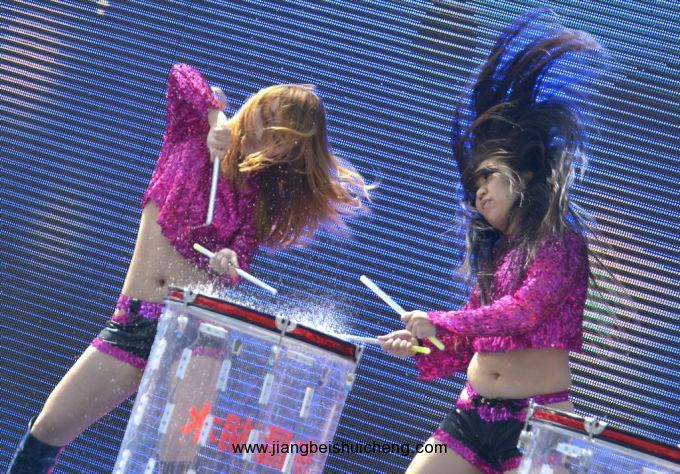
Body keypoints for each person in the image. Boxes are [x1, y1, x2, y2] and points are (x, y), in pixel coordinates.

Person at [8, 62, 370, 473]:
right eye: (268, 121)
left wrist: (227, 261)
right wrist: (215, 117)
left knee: (175, 463)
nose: (266, 139)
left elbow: (237, 261)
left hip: (198, 335)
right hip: (136, 322)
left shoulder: (258, 196)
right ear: (255, 107)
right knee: (47, 432)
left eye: (282, 141)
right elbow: (181, 74)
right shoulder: (191, 135)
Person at [379, 10, 604, 474]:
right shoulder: (496, 256)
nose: (479, 193)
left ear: (524, 176)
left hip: (536, 422)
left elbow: (524, 311)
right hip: (470, 416)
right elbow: (468, 345)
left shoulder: (559, 244)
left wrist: (438, 319)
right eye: (474, 187)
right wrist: (422, 344)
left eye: (488, 179)